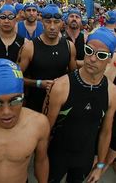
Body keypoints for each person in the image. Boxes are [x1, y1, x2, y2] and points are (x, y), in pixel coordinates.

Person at [43, 27, 116, 183]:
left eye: (101, 55)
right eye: (89, 51)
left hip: (85, 158)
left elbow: (106, 132)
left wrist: (100, 165)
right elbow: (45, 130)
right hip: (56, 156)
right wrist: (40, 160)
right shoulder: (61, 87)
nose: (92, 59)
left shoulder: (112, 92)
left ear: (110, 59)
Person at [19, 4, 77, 112]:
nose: (52, 27)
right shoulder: (30, 47)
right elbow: (17, 77)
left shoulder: (69, 46)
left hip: (62, 103)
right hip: (35, 104)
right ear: (42, 22)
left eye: (56, 22)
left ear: (62, 24)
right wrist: (38, 83)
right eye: (48, 22)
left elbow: (75, 76)